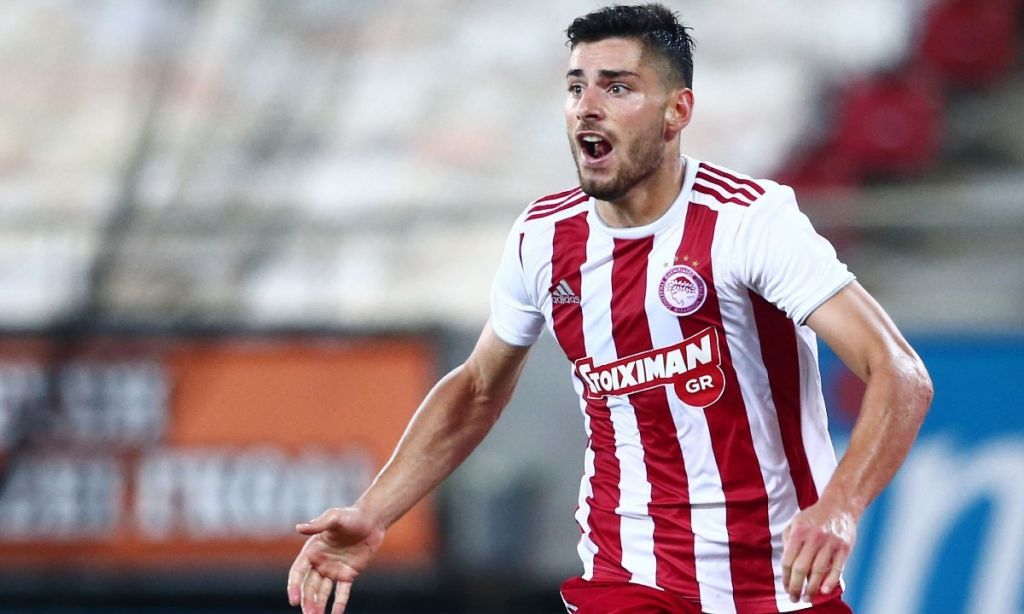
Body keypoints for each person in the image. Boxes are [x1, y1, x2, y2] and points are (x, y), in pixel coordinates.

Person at [286, 4, 933, 613]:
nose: (587, 107)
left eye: (617, 87)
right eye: (577, 87)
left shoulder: (748, 223)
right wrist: (374, 512)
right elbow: (478, 387)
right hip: (628, 578)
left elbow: (899, 373)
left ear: (676, 111)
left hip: (777, 584)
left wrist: (840, 506)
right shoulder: (544, 239)